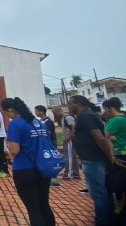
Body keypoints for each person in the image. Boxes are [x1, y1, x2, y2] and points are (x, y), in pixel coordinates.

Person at [4, 97, 55, 226]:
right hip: (43, 167)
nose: (7, 116)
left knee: (33, 209)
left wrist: (8, 144)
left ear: (11, 110)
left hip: (25, 168)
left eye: (6, 113)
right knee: (44, 205)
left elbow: (15, 150)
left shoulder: (16, 123)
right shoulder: (38, 122)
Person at [68, 95, 119, 226]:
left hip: (94, 160)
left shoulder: (86, 116)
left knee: (98, 193)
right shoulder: (85, 116)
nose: (68, 107)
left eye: (70, 104)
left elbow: (100, 139)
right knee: (103, 192)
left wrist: (110, 157)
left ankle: (103, 221)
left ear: (78, 104)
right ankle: (109, 218)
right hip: (93, 160)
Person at [103, 97, 126, 216]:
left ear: (110, 108)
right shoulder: (124, 118)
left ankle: (118, 211)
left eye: (105, 109)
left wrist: (111, 157)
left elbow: (104, 137)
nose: (105, 112)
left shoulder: (114, 120)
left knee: (117, 185)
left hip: (119, 156)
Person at [34, 105, 60, 188]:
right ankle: (49, 178)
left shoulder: (47, 121)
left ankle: (55, 180)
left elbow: (47, 134)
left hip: (50, 144)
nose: (35, 113)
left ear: (41, 111)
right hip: (45, 144)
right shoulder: (41, 121)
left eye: (36, 111)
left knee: (51, 161)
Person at [52, 106, 80, 179]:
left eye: (55, 113)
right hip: (66, 139)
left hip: (69, 140)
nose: (55, 115)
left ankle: (68, 173)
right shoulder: (61, 119)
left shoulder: (67, 117)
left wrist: (69, 137)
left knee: (69, 157)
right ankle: (75, 173)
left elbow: (74, 128)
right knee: (70, 157)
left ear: (59, 110)